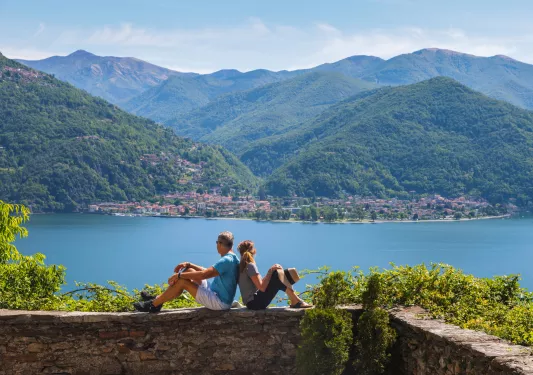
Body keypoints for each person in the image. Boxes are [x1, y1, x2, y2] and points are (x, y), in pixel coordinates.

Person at [134, 231, 239, 312]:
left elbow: (204, 275)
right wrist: (189, 265)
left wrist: (179, 275)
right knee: (190, 271)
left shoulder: (226, 260)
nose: (216, 245)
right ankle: (159, 299)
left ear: (220, 244)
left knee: (182, 281)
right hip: (215, 292)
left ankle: (153, 305)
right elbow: (207, 272)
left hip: (219, 302)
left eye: (217, 242)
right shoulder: (231, 258)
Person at [237, 240, 312, 310]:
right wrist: (270, 271)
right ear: (254, 251)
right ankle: (296, 301)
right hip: (255, 303)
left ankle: (294, 300)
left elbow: (259, 286)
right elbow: (262, 288)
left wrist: (271, 272)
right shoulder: (250, 266)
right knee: (276, 276)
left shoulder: (242, 266)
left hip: (252, 303)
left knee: (276, 275)